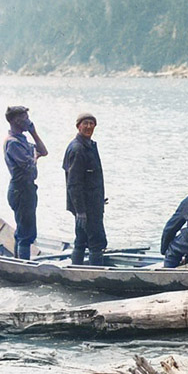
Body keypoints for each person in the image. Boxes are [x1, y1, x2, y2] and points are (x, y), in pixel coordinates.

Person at [3, 105, 48, 259]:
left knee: (24, 229)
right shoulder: (13, 143)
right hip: (20, 190)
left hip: (27, 189)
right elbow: (29, 166)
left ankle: (19, 261)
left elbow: (44, 151)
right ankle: (22, 266)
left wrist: (33, 132)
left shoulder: (23, 140)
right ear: (16, 121)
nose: (28, 121)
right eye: (25, 118)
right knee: (26, 233)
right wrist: (34, 156)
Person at [62, 112, 107, 266]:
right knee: (96, 242)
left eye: (91, 123)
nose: (88, 127)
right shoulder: (77, 149)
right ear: (78, 126)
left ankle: (76, 269)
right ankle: (95, 276)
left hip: (92, 202)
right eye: (85, 123)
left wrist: (100, 198)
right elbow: (73, 184)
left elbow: (92, 179)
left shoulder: (89, 146)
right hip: (86, 207)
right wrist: (80, 210)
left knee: (81, 239)